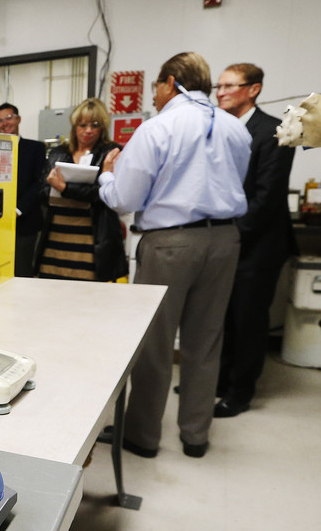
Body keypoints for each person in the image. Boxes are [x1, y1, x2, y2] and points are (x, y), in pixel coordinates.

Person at [98, 52, 250, 458]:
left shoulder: (157, 128)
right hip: (224, 241)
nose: (155, 95)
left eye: (156, 87)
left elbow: (126, 199)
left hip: (169, 243)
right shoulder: (237, 129)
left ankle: (143, 437)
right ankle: (195, 436)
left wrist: (106, 175)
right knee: (206, 341)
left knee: (155, 342)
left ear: (169, 82)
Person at [213, 63, 297, 418]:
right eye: (218, 86)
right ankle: (216, 382)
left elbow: (266, 198)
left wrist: (230, 236)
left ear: (254, 89)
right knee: (221, 317)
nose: (220, 92)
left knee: (247, 320)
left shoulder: (274, 131)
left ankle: (240, 392)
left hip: (259, 244)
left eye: (230, 86)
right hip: (227, 240)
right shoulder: (220, 129)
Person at [33, 98, 128, 281]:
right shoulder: (58, 153)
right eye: (82, 125)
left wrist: (65, 188)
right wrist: (61, 189)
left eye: (95, 125)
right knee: (51, 290)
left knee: (88, 295)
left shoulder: (111, 152)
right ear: (74, 126)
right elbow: (42, 191)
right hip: (57, 236)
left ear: (103, 127)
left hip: (93, 236)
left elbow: (104, 193)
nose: (88, 130)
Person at [0, 102, 49, 277]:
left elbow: (39, 183)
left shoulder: (35, 148)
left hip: (25, 221)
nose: (5, 123)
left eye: (9, 118)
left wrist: (18, 210)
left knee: (22, 270)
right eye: (0, 121)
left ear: (18, 119)